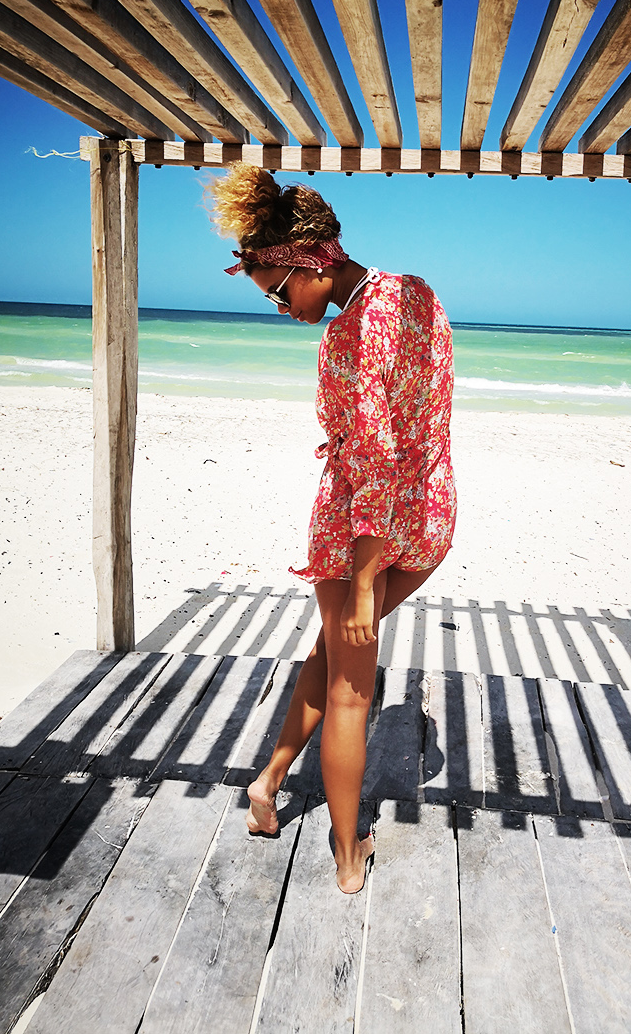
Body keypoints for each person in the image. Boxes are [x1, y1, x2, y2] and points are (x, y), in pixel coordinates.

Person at [209, 163, 456, 894]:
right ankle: (270, 780)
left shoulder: (346, 337)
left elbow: (372, 464)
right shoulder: (415, 291)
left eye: (280, 292)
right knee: (329, 653)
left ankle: (348, 857)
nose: (282, 309)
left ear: (312, 263)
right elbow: (416, 428)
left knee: (350, 686)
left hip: (360, 530)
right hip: (430, 515)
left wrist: (358, 585)